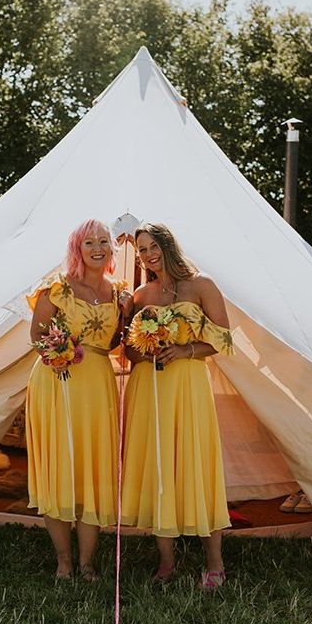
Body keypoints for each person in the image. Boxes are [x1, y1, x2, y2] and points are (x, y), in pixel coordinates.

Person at [121, 222, 234, 589]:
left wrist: (185, 349)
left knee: (195, 464)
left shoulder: (202, 285)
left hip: (187, 385)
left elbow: (222, 340)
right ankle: (166, 562)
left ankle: (214, 564)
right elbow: (128, 352)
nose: (148, 255)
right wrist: (141, 347)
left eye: (153, 246)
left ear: (168, 245)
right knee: (157, 467)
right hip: (148, 389)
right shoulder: (139, 295)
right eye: (141, 250)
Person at [26, 219, 133, 581]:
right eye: (90, 242)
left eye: (104, 241)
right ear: (77, 248)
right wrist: (58, 352)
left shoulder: (120, 292)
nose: (98, 247)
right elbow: (37, 336)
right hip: (58, 382)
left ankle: (87, 563)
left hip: (99, 382)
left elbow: (117, 341)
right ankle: (64, 562)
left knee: (94, 470)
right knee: (60, 469)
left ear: (112, 249)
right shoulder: (57, 288)